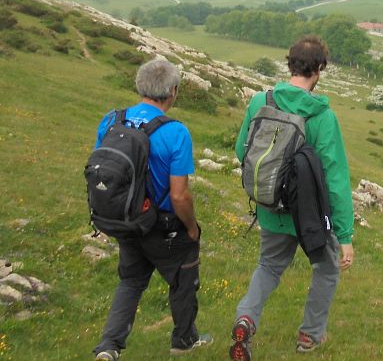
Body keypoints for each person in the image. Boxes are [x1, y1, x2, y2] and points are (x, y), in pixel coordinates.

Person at [229, 35, 354, 359]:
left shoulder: (261, 101)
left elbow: (241, 148)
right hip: (310, 215)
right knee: (326, 269)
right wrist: (344, 234)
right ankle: (309, 336)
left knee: (269, 266)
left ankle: (246, 318)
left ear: (290, 63)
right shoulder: (322, 117)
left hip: (271, 206)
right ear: (320, 69)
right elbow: (335, 179)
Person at [92, 58, 212, 360]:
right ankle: (184, 340)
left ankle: (109, 346)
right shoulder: (175, 132)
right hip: (163, 225)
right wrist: (192, 228)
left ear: (139, 85)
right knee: (183, 278)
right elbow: (180, 195)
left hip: (125, 219)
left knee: (131, 281)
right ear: (172, 91)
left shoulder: (111, 120)